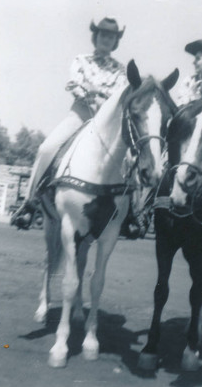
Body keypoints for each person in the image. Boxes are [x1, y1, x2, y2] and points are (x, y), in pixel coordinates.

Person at [11, 17, 128, 228]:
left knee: (130, 157)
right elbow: (73, 84)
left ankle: (131, 214)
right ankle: (30, 204)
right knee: (46, 148)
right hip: (80, 115)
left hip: (106, 124)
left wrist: (97, 92)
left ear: (115, 41)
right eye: (103, 35)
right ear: (96, 37)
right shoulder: (81, 60)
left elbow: (120, 96)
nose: (106, 40)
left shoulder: (121, 70)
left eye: (111, 37)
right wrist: (89, 94)